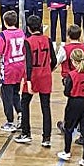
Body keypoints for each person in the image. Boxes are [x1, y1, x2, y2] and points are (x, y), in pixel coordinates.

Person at [17, 15, 55, 147]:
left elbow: (28, 63)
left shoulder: (28, 41)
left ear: (28, 28)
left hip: (32, 76)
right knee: (46, 107)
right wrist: (47, 70)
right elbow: (54, 60)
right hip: (45, 76)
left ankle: (26, 133)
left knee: (24, 103)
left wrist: (27, 80)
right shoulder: (48, 40)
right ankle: (46, 138)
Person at [59, 48, 84, 166]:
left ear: (73, 61)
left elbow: (67, 92)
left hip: (74, 103)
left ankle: (66, 152)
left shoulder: (72, 75)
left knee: (69, 128)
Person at [0, 10, 27, 132]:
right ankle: (20, 113)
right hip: (20, 66)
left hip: (8, 68)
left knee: (6, 96)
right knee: (16, 93)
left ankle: (10, 121)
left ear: (5, 22)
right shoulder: (22, 33)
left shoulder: (3, 35)